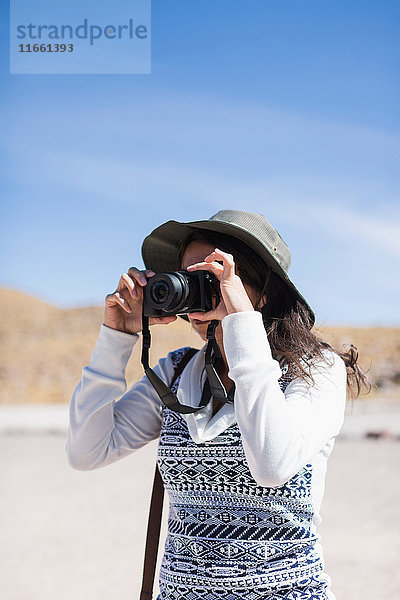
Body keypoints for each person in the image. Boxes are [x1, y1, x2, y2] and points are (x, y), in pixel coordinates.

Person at [66, 210, 369, 600]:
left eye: (212, 276)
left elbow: (273, 464)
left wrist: (241, 325)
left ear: (261, 288)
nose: (197, 290)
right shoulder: (176, 373)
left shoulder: (315, 371)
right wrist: (115, 337)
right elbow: (86, 451)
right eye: (188, 278)